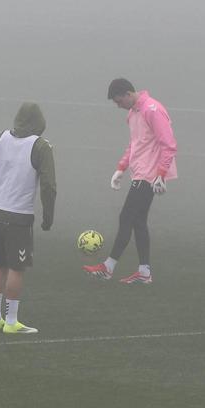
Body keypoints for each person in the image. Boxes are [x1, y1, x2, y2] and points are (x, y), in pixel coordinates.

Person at [83, 78, 177, 284]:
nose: (117, 106)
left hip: (148, 175)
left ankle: (108, 267)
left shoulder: (152, 110)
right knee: (138, 221)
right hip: (140, 172)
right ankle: (144, 272)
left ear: (127, 94)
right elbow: (134, 145)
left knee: (126, 217)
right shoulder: (133, 113)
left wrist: (161, 174)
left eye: (118, 101)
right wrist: (121, 168)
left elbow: (168, 144)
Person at [0, 102, 56, 335]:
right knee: (16, 268)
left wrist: (4, 183)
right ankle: (12, 321)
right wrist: (48, 215)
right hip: (18, 215)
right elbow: (48, 185)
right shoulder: (41, 146)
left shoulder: (0, 137)